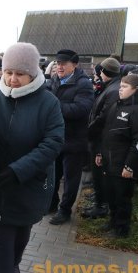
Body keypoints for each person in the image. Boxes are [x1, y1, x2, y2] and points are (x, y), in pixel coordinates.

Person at [0, 43, 64, 273]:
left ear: (33, 74)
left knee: (21, 234)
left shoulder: (48, 103)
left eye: (20, 73)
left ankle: (13, 267)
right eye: (8, 72)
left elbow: (53, 142)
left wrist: (20, 170)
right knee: (3, 238)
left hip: (30, 183)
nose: (13, 79)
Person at [97, 74, 138, 237]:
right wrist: (100, 153)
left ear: (136, 90)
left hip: (124, 165)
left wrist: (130, 166)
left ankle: (122, 229)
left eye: (125, 87)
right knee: (111, 195)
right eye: (120, 86)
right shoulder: (116, 106)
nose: (120, 89)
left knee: (123, 198)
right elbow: (106, 133)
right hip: (109, 161)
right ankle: (112, 222)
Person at [47, 49, 94, 225]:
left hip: (74, 139)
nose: (59, 67)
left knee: (70, 179)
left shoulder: (83, 84)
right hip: (55, 137)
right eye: (58, 63)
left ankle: (65, 211)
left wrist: (54, 105)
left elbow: (82, 110)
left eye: (63, 64)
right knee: (52, 175)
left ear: (74, 65)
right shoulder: (54, 80)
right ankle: (51, 205)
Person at [84, 57, 122, 219]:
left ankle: (100, 206)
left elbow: (103, 118)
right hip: (101, 138)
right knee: (99, 173)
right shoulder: (112, 87)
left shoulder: (113, 90)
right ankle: (100, 199)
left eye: (101, 71)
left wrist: (89, 131)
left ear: (105, 72)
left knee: (100, 173)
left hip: (101, 139)